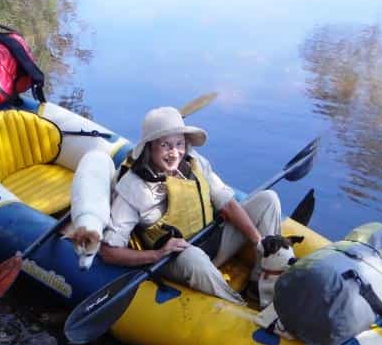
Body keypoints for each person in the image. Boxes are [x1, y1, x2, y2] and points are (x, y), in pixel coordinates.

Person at [99, 106, 282, 304]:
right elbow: (109, 252)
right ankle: (238, 306)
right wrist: (156, 254)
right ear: (149, 147)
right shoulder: (132, 188)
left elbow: (227, 204)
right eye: (165, 145)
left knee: (268, 199)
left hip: (213, 240)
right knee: (193, 257)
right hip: (177, 260)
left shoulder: (196, 163)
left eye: (179, 144)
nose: (175, 153)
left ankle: (260, 283)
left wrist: (258, 241)